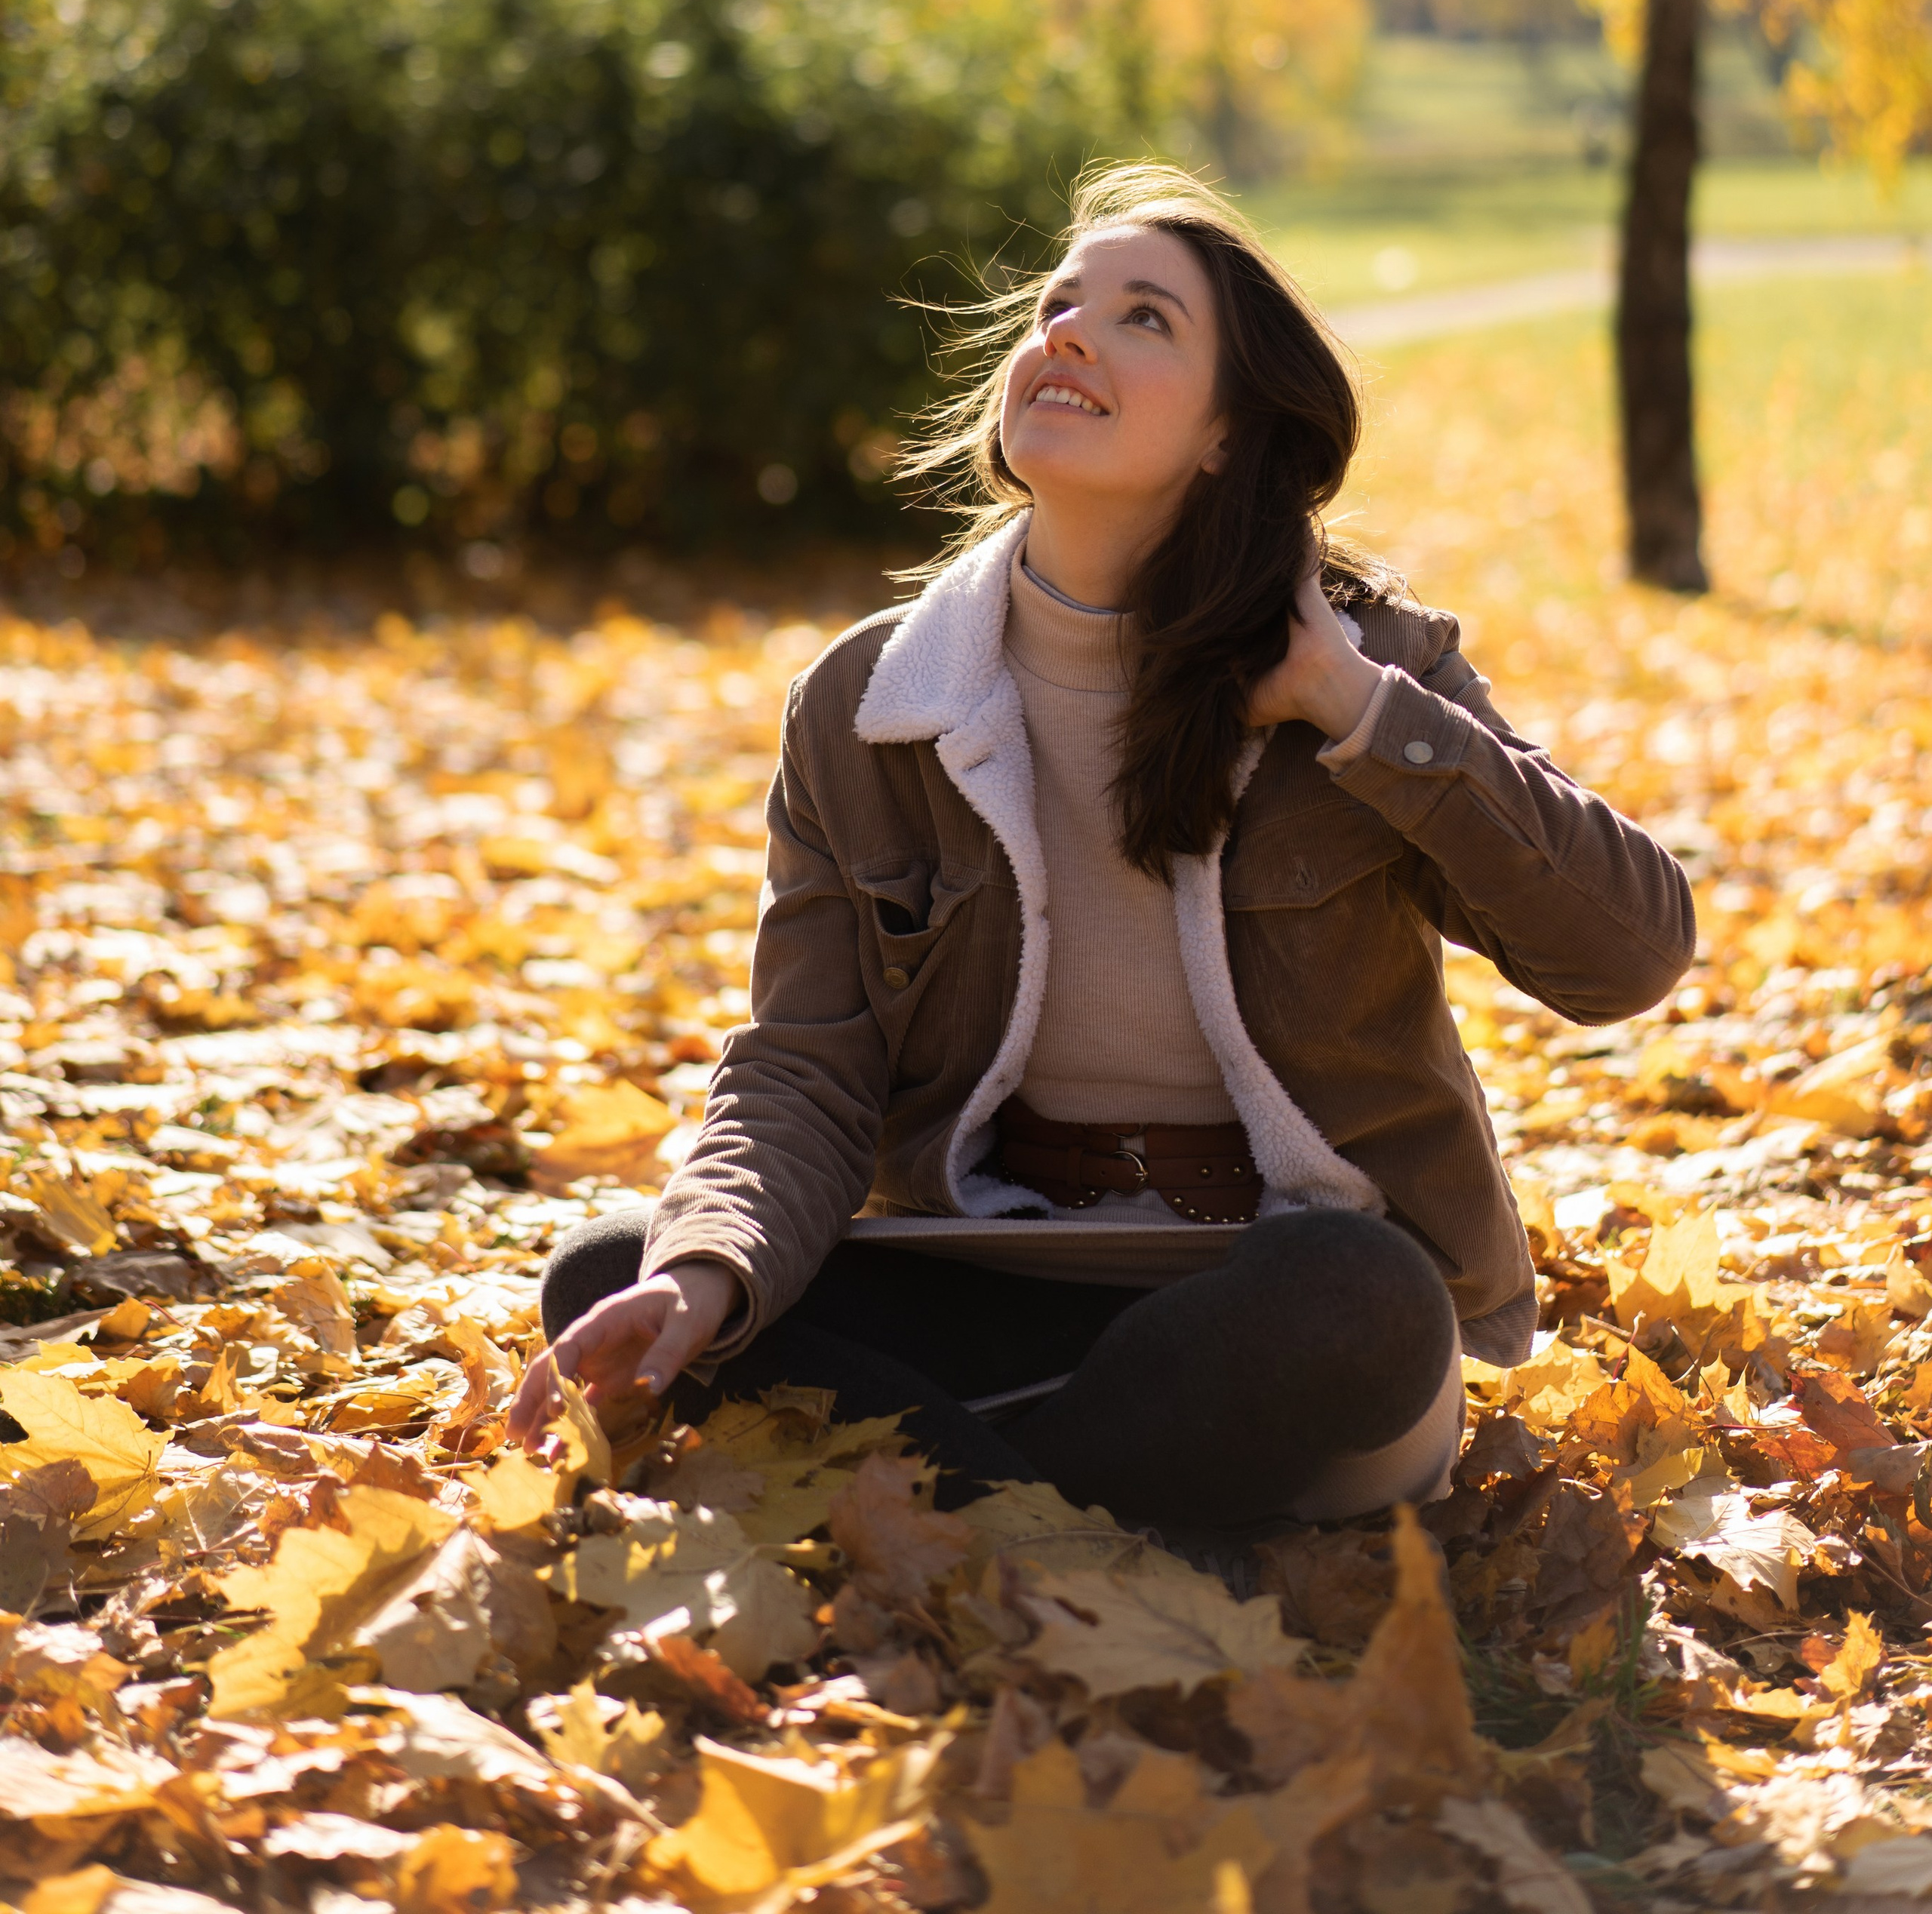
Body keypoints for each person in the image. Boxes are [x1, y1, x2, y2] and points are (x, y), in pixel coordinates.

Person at [506, 164, 1694, 1546]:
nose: (1066, 330)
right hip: (995, 1271)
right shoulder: (869, 704)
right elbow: (805, 1067)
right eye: (1057, 307)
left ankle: (964, 1505)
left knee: (1360, 1295)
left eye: (1143, 318)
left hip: (1277, 1300)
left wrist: (1359, 711)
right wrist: (707, 1272)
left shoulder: (1369, 666)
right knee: (623, 1273)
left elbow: (1627, 956)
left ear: (1229, 436)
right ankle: (1074, 1526)